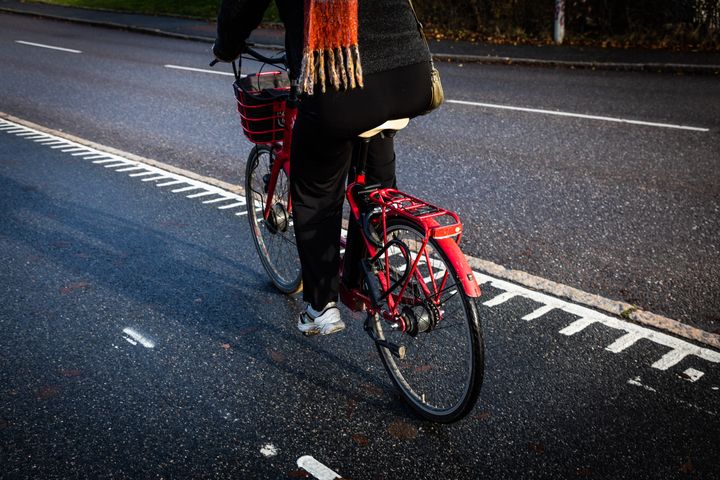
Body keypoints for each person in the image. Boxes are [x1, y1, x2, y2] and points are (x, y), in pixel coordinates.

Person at [214, 0, 434, 336]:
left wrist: (226, 45)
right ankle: (366, 274)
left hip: (340, 81)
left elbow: (241, 6)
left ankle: (320, 306)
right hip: (412, 76)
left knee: (316, 192)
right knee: (375, 191)